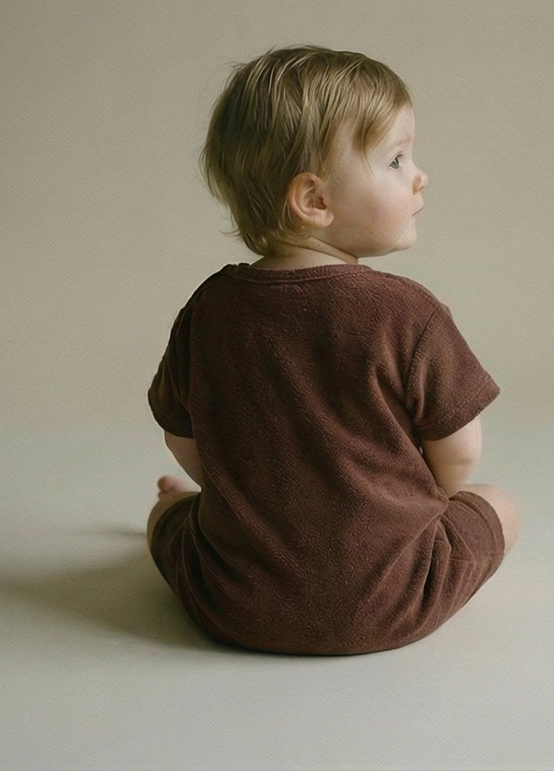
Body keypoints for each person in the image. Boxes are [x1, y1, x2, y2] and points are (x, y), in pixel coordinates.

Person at [146, 46, 517, 654]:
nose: (420, 175)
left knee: (170, 521)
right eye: (396, 159)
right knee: (498, 504)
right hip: (396, 601)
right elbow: (460, 455)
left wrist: (235, 498)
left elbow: (182, 438)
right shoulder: (408, 313)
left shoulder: (208, 309)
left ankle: (170, 509)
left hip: (235, 603)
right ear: (314, 200)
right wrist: (407, 505)